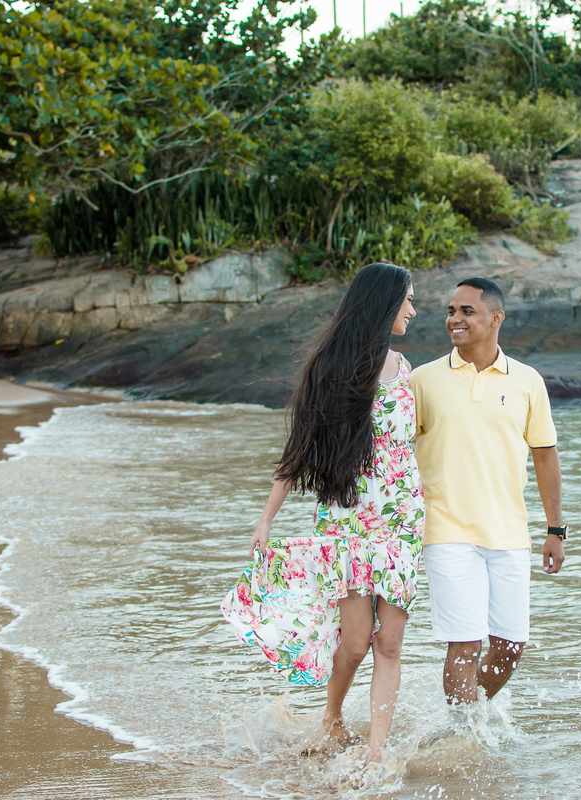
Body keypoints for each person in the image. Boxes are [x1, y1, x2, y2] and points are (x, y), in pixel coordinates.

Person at [220, 262, 424, 762]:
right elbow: (297, 451)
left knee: (389, 644)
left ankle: (376, 753)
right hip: (347, 522)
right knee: (354, 644)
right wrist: (265, 519)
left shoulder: (405, 368)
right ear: (384, 303)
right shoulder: (333, 369)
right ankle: (331, 718)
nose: (414, 311)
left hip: (402, 522)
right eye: (408, 300)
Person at [409, 277, 566, 706]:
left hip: (509, 534)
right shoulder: (423, 379)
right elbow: (394, 450)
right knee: (464, 643)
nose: (454, 319)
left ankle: (467, 721)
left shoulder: (528, 380)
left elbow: (545, 454)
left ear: (496, 319)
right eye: (450, 311)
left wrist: (556, 530)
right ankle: (462, 732)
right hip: (446, 531)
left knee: (510, 647)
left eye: (466, 311)